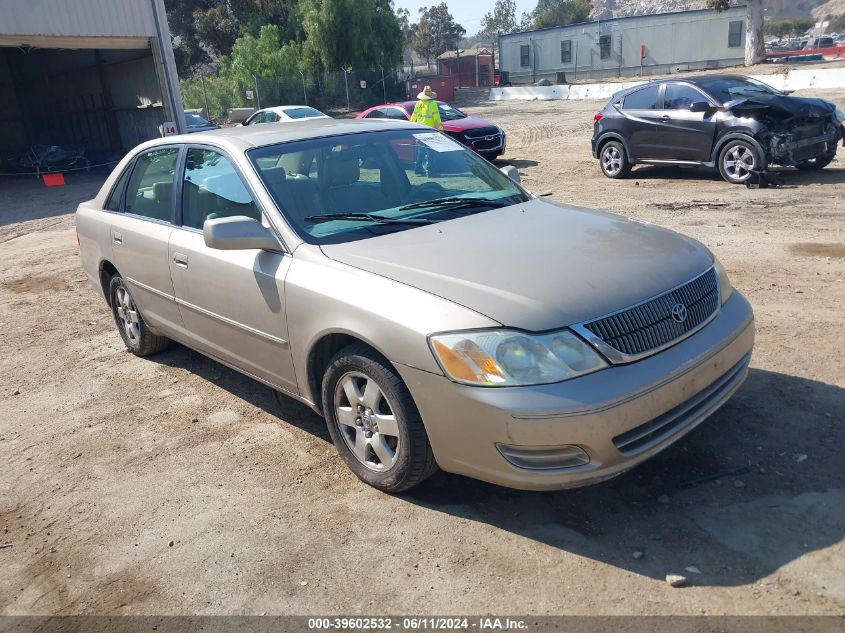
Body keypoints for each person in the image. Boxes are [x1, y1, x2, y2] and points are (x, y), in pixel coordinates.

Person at [410, 85, 443, 176]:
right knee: (430, 152)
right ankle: (431, 172)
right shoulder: (432, 104)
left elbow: (413, 117)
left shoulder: (418, 104)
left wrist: (411, 128)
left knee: (421, 151)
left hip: (419, 130)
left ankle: (418, 169)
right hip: (428, 131)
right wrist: (441, 129)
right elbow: (437, 118)